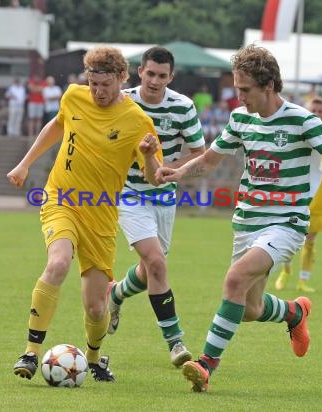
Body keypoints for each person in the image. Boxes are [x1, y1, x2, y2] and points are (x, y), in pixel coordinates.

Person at [157, 45, 322, 392]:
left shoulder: (302, 120)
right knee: (249, 308)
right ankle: (294, 313)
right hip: (247, 221)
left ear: (269, 86)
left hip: (286, 223)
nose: (239, 96)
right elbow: (209, 161)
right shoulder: (240, 118)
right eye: (237, 88)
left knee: (234, 279)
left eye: (245, 90)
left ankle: (205, 366)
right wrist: (176, 172)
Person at [7, 46, 163, 383]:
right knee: (58, 262)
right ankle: (31, 353)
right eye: (92, 84)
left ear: (122, 78)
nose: (98, 92)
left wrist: (150, 156)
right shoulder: (74, 97)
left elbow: (154, 176)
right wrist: (25, 163)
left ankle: (93, 358)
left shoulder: (138, 121)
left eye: (105, 85)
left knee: (95, 306)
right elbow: (57, 125)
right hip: (61, 199)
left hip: (102, 215)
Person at [107, 46, 206, 367]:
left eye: (162, 76)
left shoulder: (183, 106)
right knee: (157, 264)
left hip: (164, 197)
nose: (154, 81)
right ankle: (175, 342)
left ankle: (116, 293)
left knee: (152, 268)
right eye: (150, 73)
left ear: (171, 77)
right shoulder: (124, 101)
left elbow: (199, 152)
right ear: (140, 72)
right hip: (129, 194)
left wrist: (172, 165)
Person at [274, 96, 322, 293]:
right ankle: (285, 271)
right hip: (296, 197)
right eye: (314, 111)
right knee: (288, 238)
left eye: (321, 112)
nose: (318, 114)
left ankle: (303, 280)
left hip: (319, 200)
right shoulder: (297, 133)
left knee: (310, 241)